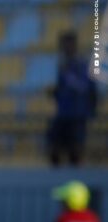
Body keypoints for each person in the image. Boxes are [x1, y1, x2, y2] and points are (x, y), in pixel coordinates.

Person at [47, 31, 98, 167]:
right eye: (63, 45)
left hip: (77, 114)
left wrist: (70, 79)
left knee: (75, 149)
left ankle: (76, 174)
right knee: (54, 146)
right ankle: (56, 176)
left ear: (74, 45)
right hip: (63, 113)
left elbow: (86, 87)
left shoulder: (82, 65)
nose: (65, 48)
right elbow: (61, 89)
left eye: (67, 45)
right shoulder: (63, 66)